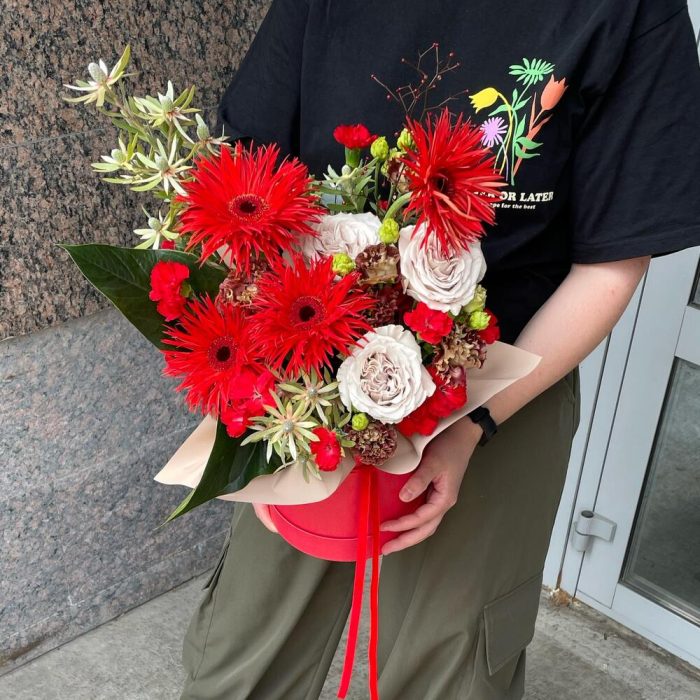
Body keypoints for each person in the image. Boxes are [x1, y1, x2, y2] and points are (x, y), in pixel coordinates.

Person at [180, 1, 700, 698]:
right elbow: (244, 173)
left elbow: (611, 261)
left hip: (507, 370)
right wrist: (247, 376)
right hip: (302, 369)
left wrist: (473, 427)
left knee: (452, 660)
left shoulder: (627, 11)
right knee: (244, 648)